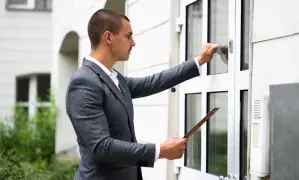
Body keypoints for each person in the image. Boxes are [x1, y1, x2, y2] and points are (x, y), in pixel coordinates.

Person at [65, 8, 219, 180]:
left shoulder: (114, 78)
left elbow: (153, 82)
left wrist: (199, 61)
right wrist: (160, 150)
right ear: (108, 37)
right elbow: (102, 147)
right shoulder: (84, 82)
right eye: (128, 36)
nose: (133, 42)